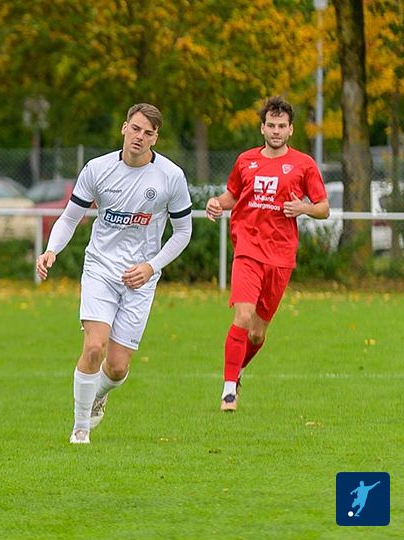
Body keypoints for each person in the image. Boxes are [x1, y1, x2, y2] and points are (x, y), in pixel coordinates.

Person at [36, 103, 193, 445]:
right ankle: (80, 428)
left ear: (156, 138)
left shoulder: (170, 176)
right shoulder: (98, 169)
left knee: (118, 366)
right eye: (135, 129)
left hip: (141, 278)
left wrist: (151, 266)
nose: (140, 137)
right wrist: (51, 250)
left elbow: (183, 232)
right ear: (124, 128)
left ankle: (98, 395)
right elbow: (70, 217)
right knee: (94, 346)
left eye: (148, 133)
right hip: (100, 269)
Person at [205, 96, 329, 412]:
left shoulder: (304, 164)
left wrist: (303, 208)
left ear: (290, 130)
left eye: (281, 126)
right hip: (247, 249)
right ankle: (228, 391)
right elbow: (232, 195)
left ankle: (237, 371)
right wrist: (216, 203)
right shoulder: (245, 161)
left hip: (281, 255)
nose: (276, 131)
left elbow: (324, 208)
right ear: (262, 128)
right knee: (243, 317)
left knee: (257, 334)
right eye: (271, 125)